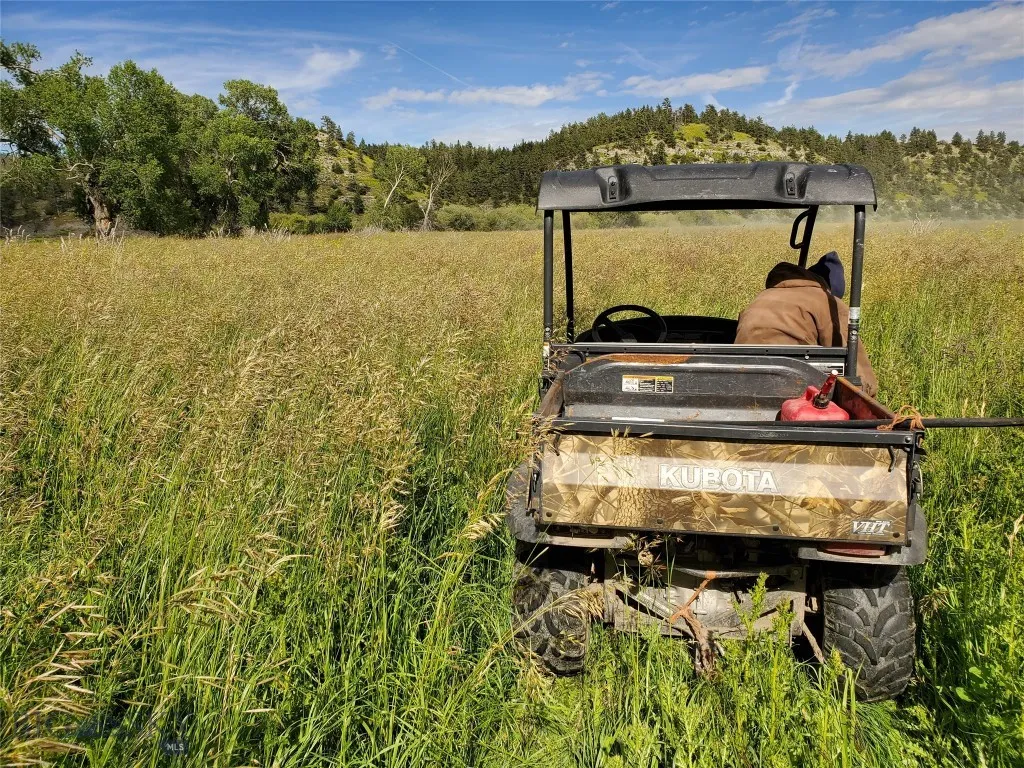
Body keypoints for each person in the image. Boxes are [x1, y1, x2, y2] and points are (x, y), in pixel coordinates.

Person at [735, 251, 878, 397]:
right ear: (830, 289)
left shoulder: (761, 297)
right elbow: (859, 374)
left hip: (740, 381)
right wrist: (867, 396)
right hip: (788, 387)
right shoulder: (829, 303)